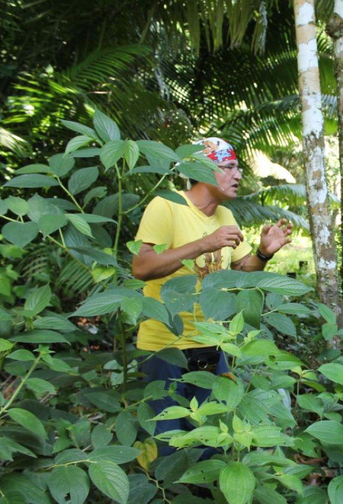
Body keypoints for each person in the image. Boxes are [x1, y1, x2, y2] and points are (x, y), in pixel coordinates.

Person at [131, 137, 292, 455]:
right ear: (202, 169)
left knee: (215, 439)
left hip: (212, 343)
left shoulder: (226, 217)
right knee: (166, 442)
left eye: (238, 167)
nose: (238, 175)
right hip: (164, 346)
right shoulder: (167, 206)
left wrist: (263, 252)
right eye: (229, 167)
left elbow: (242, 271)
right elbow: (142, 266)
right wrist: (204, 244)